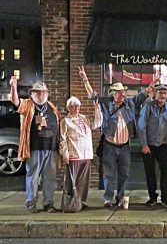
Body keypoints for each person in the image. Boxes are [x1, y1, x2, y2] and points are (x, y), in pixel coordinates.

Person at [78, 65, 156, 207]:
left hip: (125, 146)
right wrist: (85, 79)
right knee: (108, 174)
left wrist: (152, 84)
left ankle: (119, 198)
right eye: (120, 93)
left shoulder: (130, 104)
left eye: (123, 92)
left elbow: (143, 94)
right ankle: (108, 199)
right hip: (109, 145)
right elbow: (92, 95)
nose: (123, 95)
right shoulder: (106, 103)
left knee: (124, 174)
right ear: (113, 94)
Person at [9, 77, 61, 213]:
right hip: (34, 148)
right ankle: (31, 203)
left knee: (50, 178)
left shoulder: (52, 107)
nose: (41, 94)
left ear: (47, 93)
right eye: (37, 92)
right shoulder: (28, 105)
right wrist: (14, 87)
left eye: (43, 92)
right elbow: (15, 102)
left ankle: (48, 203)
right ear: (32, 94)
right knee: (33, 177)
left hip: (50, 149)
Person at [137, 85, 167, 208]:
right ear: (155, 93)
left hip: (162, 145)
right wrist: (144, 144)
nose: (162, 95)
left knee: (165, 173)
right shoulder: (148, 106)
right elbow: (141, 126)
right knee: (150, 173)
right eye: (160, 93)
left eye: (165, 93)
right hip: (149, 145)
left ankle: (165, 198)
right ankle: (152, 198)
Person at [59, 96, 102, 210]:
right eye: (74, 106)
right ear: (69, 108)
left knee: (83, 181)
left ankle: (80, 201)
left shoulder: (84, 118)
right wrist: (65, 153)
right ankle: (71, 202)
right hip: (74, 154)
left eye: (78, 106)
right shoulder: (65, 121)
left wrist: (97, 110)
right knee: (72, 181)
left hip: (85, 153)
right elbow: (63, 139)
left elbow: (96, 124)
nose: (77, 108)